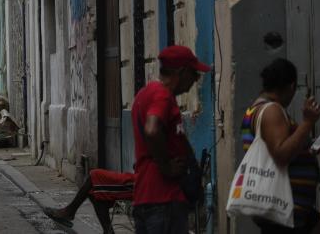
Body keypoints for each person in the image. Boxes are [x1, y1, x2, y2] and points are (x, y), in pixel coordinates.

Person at [131, 45, 210, 234]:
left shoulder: (145, 93)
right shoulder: (163, 96)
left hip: (145, 196)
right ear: (181, 72)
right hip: (164, 198)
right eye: (194, 74)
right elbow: (152, 129)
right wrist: (165, 165)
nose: (195, 80)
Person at [240, 58, 320, 233]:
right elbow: (281, 154)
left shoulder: (258, 110)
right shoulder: (271, 110)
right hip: (283, 210)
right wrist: (307, 122)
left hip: (289, 212)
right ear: (291, 86)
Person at [42, 169, 135, 233]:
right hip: (140, 177)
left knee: (95, 176)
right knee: (93, 192)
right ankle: (108, 231)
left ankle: (69, 211)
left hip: (140, 182)